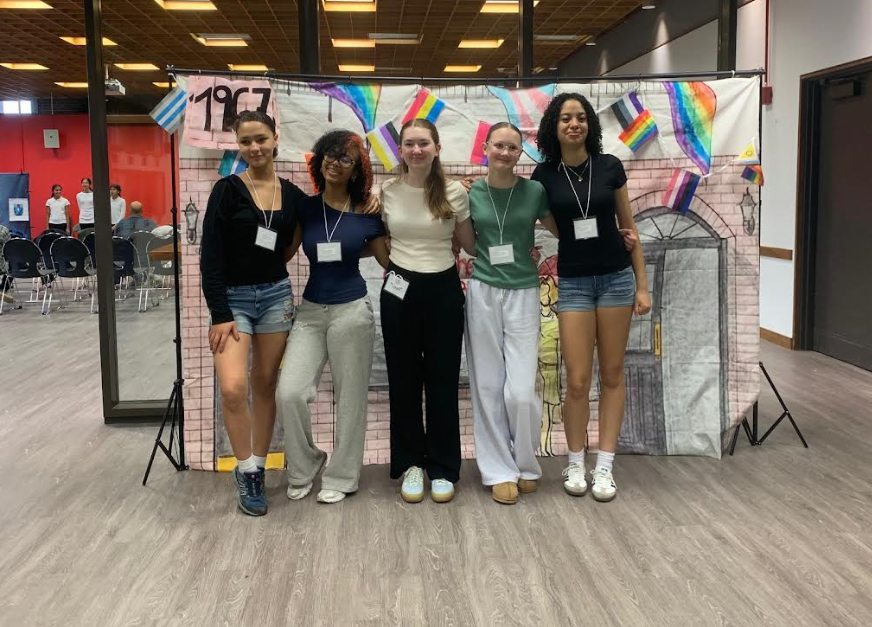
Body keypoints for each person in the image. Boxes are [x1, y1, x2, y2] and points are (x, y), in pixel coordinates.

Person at [532, 92, 651, 502]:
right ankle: (575, 462)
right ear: (554, 126)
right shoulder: (544, 175)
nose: (574, 124)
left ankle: (605, 467)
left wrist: (641, 285)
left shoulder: (609, 166)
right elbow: (552, 224)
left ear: (590, 125)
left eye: (581, 117)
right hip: (575, 283)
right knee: (578, 380)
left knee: (613, 374)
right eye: (566, 118)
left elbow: (630, 228)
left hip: (616, 279)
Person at [200, 110, 306, 517]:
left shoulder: (292, 195)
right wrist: (220, 312)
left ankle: (257, 469)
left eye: (261, 138)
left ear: (275, 138)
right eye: (245, 141)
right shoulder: (227, 190)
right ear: (238, 145)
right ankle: (243, 468)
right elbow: (210, 255)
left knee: (265, 384)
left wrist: (367, 200)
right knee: (232, 388)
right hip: (233, 302)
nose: (254, 147)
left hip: (276, 296)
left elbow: (295, 240)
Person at [277, 130, 389, 505]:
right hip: (310, 313)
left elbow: (390, 262)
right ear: (319, 159)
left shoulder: (369, 214)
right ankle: (306, 464)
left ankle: (342, 476)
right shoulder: (305, 208)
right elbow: (285, 252)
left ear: (357, 170)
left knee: (351, 398)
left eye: (345, 159)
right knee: (290, 392)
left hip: (352, 312)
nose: (335, 163)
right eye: (329, 154)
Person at [380, 119, 475, 504]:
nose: (416, 150)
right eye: (409, 144)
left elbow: (470, 244)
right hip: (399, 289)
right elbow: (381, 240)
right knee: (403, 380)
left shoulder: (455, 192)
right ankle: (410, 464)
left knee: (442, 380)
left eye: (423, 143)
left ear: (437, 148)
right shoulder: (386, 191)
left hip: (443, 290)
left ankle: (442, 467)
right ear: (400, 150)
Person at [464, 122, 559, 505]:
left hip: (523, 291)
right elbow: (467, 243)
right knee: (487, 385)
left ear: (521, 153)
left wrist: (607, 234)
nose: (505, 153)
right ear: (486, 148)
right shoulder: (470, 192)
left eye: (513, 148)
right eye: (499, 146)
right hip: (484, 290)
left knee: (520, 391)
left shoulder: (534, 191)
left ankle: (525, 462)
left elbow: (561, 228)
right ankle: (498, 469)